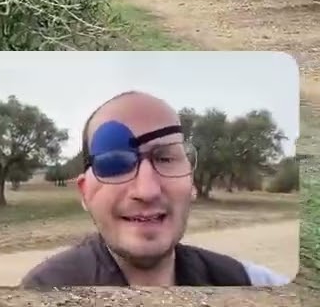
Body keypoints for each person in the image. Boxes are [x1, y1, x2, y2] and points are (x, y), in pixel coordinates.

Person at [20, 90, 292, 288]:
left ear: (192, 183)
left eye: (165, 158)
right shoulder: (42, 289)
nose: (147, 191)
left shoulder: (247, 283)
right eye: (116, 163)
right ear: (84, 193)